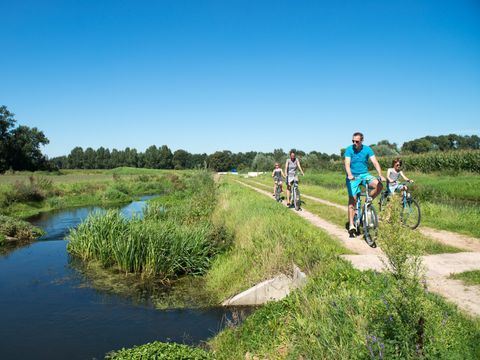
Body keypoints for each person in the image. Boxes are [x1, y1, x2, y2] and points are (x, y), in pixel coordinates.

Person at [344, 132, 385, 236]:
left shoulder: (367, 149)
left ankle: (368, 200)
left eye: (357, 141)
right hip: (353, 176)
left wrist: (380, 175)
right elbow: (347, 163)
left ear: (362, 141)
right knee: (353, 200)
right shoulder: (349, 149)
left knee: (379, 185)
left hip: (365, 175)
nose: (354, 143)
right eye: (353, 141)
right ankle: (352, 225)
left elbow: (375, 162)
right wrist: (349, 175)